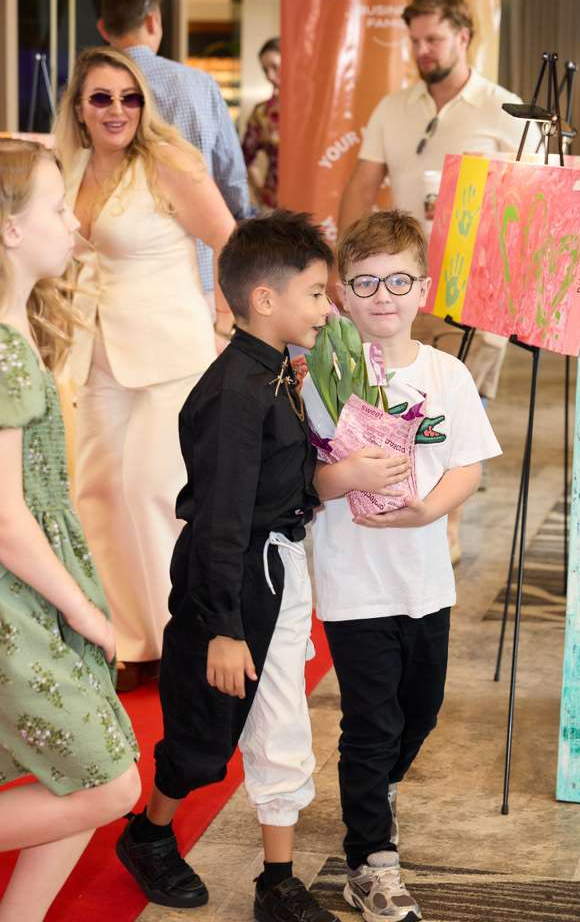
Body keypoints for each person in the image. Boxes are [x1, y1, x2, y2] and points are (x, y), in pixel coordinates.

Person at [116, 210, 338, 922]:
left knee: (281, 724)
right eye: (315, 293)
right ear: (265, 299)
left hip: (277, 570)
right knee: (204, 735)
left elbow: (278, 482)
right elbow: (219, 520)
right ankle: (149, 834)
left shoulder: (274, 372)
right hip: (230, 584)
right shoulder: (236, 392)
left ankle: (278, 882)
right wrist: (223, 628)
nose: (326, 307)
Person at [302, 210, 501, 922]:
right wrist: (347, 474)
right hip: (355, 582)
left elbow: (469, 465)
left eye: (397, 281)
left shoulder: (446, 374)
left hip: (426, 579)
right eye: (364, 282)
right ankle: (372, 863)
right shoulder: (322, 377)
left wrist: (428, 512)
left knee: (422, 711)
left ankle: (378, 791)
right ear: (342, 292)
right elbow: (305, 482)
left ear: (422, 288)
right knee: (372, 722)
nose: (382, 296)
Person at [54, 46, 235, 691]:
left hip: (171, 358)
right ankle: (131, 641)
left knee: (156, 493)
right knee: (97, 493)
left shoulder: (168, 162)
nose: (118, 110)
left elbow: (228, 240)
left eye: (130, 98)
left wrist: (226, 324)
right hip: (96, 357)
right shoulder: (69, 168)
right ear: (79, 108)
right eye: (102, 98)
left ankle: (180, 637)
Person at [0, 138, 140, 922]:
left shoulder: (16, 332)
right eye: (56, 208)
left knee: (88, 775)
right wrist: (84, 611)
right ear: (10, 228)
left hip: (32, 586)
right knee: (110, 783)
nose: (73, 223)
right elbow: (3, 517)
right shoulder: (5, 350)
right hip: (17, 595)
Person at [338, 0, 530, 561]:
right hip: (396, 285)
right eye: (415, 40)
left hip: (475, 290)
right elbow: (361, 186)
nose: (423, 49)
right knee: (393, 398)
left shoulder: (505, 109)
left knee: (453, 405)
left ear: (464, 37)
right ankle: (393, 508)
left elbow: (532, 206)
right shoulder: (393, 108)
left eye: (434, 39)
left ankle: (444, 527)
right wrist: (344, 265)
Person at [98, 0, 249, 319]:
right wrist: (234, 218)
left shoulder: (95, 95)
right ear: (153, 21)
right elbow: (231, 176)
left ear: (103, 28)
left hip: (120, 271)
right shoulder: (199, 84)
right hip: (200, 264)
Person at [242, 37, 280, 210]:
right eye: (265, 70)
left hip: (315, 199)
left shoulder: (315, 109)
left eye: (274, 67)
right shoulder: (262, 113)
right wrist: (260, 191)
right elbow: (245, 157)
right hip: (276, 206)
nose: (269, 76)